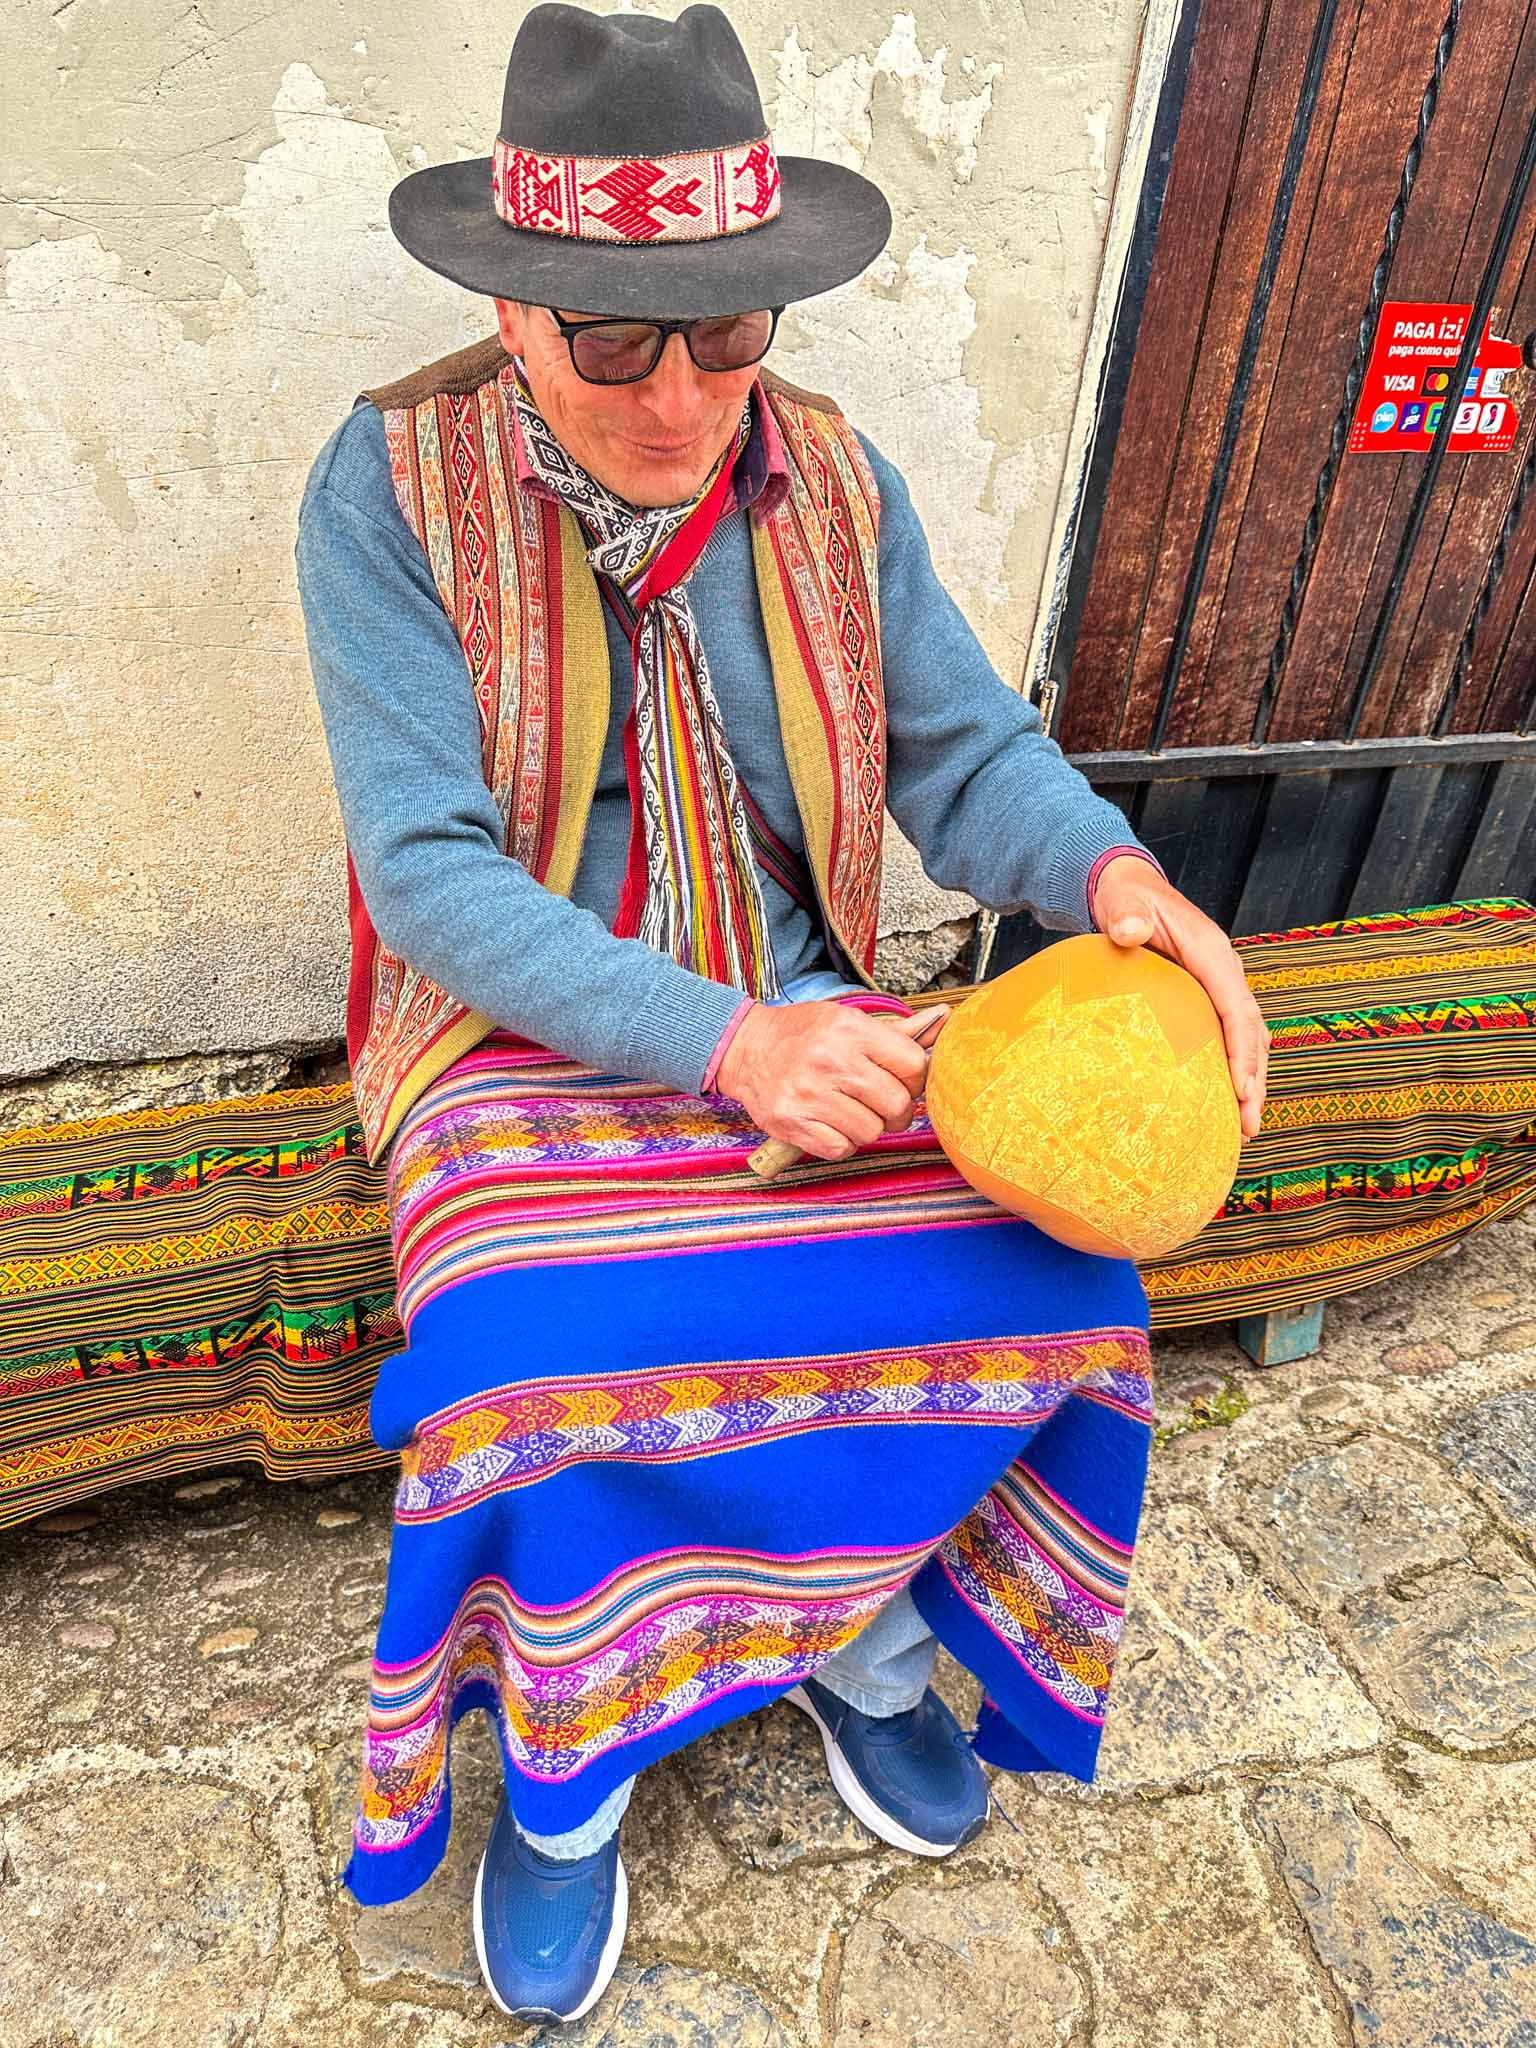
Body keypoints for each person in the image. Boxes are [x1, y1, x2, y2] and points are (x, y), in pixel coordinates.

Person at [295, 2, 1269, 2024]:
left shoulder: (827, 472)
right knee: (536, 1362)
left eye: (726, 333)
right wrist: (730, 1046)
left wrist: (1123, 881)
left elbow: (964, 749)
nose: (680, 398)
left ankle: (862, 1635)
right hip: (512, 1035)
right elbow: (430, 872)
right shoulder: (386, 489)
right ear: (511, 307)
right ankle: (568, 1773)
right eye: (614, 345)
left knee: (1055, 1283)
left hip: (803, 987)